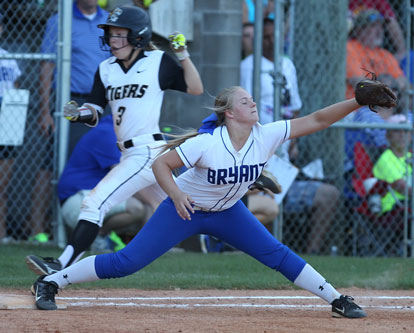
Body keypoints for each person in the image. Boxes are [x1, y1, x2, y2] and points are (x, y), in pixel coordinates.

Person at [31, 82, 397, 316]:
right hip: (185, 210)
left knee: (277, 254)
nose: (252, 103)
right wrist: (174, 195)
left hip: (227, 212)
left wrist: (355, 101)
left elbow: (316, 120)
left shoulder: (264, 135)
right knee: (127, 262)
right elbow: (161, 164)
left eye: (251, 99)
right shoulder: (207, 142)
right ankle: (52, 282)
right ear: (229, 113)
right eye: (245, 100)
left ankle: (336, 299)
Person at [25, 5, 203, 276]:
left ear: (139, 37)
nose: (113, 41)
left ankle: (62, 264)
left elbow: (195, 88)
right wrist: (80, 113)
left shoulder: (156, 61)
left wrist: (182, 54)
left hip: (148, 149)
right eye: (111, 34)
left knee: (94, 203)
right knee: (188, 203)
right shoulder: (106, 69)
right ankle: (233, 192)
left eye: (121, 35)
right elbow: (95, 111)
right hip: (129, 153)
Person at [29, 0, 110, 243]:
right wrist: (46, 111)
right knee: (51, 163)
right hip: (70, 101)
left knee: (102, 165)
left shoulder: (108, 21)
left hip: (103, 103)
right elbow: (47, 65)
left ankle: (98, 229)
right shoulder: (59, 21)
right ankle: (38, 231)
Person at [346, 9, 407, 101]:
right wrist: (387, 85)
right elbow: (359, 83)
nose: (380, 30)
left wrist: (382, 85)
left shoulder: (385, 54)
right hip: (357, 108)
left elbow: (403, 82)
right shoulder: (350, 48)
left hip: (385, 108)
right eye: (374, 26)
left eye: (381, 26)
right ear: (360, 30)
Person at [0, 12, 22, 243]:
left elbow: (15, 88)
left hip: (7, 119)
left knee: (2, 185)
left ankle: (2, 234)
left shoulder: (9, 57)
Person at [372, 113, 412, 233]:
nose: (402, 135)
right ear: (388, 136)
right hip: (394, 209)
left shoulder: (411, 156)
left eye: (406, 131)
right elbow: (402, 188)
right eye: (397, 131)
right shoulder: (385, 159)